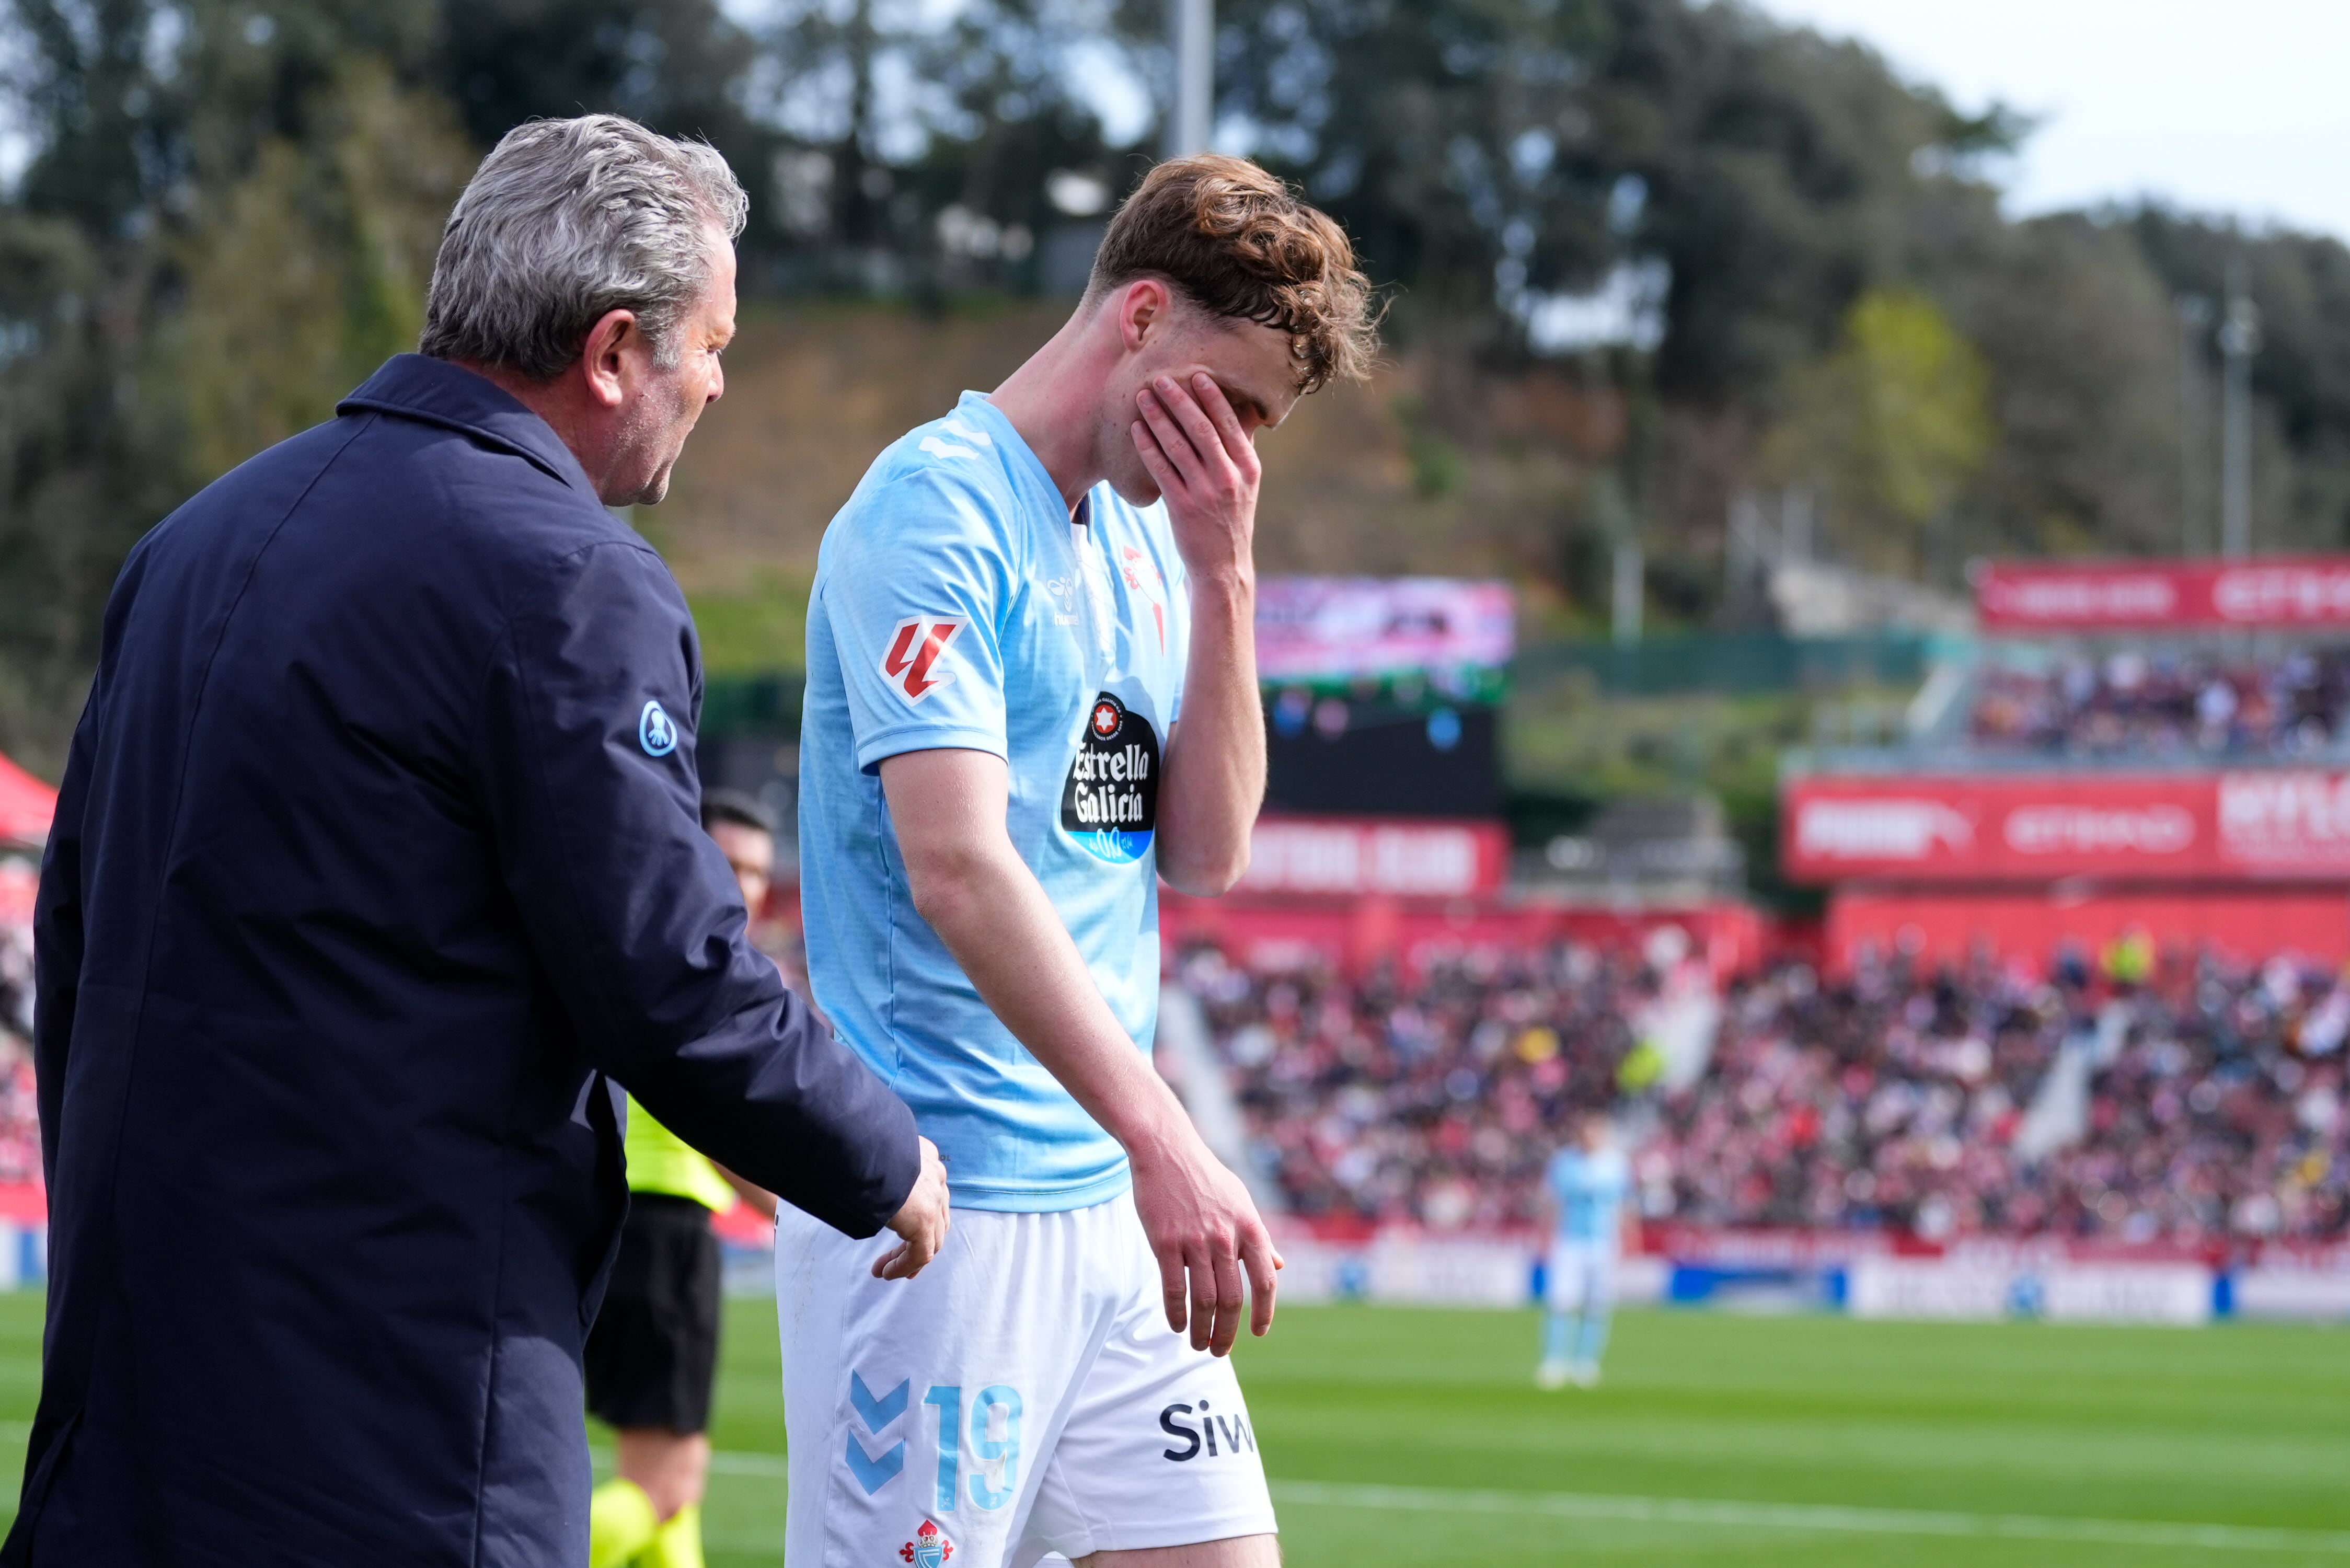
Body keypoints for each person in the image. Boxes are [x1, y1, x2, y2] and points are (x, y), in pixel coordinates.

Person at [10, 115, 949, 1568]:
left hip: (133, 1382)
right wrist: (883, 1151)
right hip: (393, 1401)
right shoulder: (566, 579)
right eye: (710, 342)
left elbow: (76, 941)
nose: (716, 381)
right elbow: (665, 970)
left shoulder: (190, 542)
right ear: (615, 349)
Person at [784, 153, 1376, 1568]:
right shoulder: (933, 509)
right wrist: (1167, 1138)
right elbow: (959, 868)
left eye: (1262, 429)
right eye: (1232, 402)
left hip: (1107, 1210)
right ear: (1141, 317)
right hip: (947, 1209)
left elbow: (1207, 850)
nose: (1237, 448)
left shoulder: (1141, 539)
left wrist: (1226, 577)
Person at [586, 790, 788, 1568]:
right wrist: (811, 1211)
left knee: (676, 1489)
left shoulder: (632, 940)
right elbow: (715, 1125)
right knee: (665, 1486)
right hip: (666, 1229)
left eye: (758, 870)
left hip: (618, 1219)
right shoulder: (701, 963)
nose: (744, 884)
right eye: (729, 861)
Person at [1538, 1112, 1633, 1390]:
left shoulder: (1616, 1164)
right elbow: (1551, 1202)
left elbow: (1625, 1206)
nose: (1591, 1140)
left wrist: (1629, 1240)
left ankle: (1587, 1363)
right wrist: (1545, 1236)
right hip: (1570, 1241)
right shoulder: (1564, 1162)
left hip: (1604, 1242)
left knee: (1597, 1305)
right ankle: (1554, 1361)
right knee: (1561, 1302)